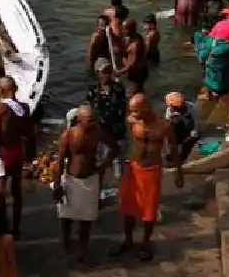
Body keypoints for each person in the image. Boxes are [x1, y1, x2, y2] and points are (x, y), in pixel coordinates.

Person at [112, 93, 181, 262]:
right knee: (128, 207)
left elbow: (173, 147)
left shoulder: (164, 126)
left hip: (152, 170)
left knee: (149, 210)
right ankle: (128, 240)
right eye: (131, 110)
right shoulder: (132, 121)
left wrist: (179, 171)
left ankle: (145, 243)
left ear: (147, 108)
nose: (133, 114)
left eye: (136, 110)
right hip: (134, 168)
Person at [52, 105, 104, 265]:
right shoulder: (69, 135)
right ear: (79, 120)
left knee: (87, 219)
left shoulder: (97, 132)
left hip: (90, 178)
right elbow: (59, 161)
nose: (92, 123)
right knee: (67, 217)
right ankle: (66, 240)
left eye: (93, 120)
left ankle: (83, 250)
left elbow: (114, 147)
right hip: (72, 179)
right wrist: (57, 185)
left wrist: (103, 164)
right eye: (88, 121)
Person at [0, 77, 33, 237]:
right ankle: (16, 228)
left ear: (2, 90)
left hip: (5, 152)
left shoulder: (0, 108)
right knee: (16, 191)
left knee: (1, 190)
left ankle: (4, 227)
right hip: (18, 150)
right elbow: (28, 130)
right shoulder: (24, 107)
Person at [86, 59, 128, 161]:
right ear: (98, 73)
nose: (107, 74)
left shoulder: (119, 88)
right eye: (104, 71)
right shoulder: (92, 91)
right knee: (100, 162)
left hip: (118, 134)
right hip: (102, 136)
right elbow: (91, 110)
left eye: (109, 71)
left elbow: (121, 108)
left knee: (119, 166)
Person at [164, 91, 200, 163]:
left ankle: (183, 157)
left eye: (176, 106)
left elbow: (197, 120)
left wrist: (195, 131)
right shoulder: (170, 110)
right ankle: (171, 151)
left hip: (190, 129)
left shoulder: (191, 107)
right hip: (178, 129)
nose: (174, 108)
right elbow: (167, 123)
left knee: (188, 145)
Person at [118, 18, 149, 93]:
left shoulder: (135, 45)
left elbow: (132, 64)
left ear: (130, 30)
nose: (122, 30)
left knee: (135, 92)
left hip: (138, 73)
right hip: (137, 70)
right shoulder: (135, 37)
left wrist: (119, 72)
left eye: (124, 29)